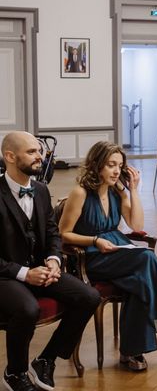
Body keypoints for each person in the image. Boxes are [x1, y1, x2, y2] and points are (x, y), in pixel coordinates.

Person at [59, 141, 157, 372]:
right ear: (96, 165)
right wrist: (94, 240)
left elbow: (137, 224)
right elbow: (64, 235)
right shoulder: (80, 193)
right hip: (90, 257)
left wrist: (133, 190)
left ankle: (130, 352)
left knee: (141, 282)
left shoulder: (117, 192)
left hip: (117, 251)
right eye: (111, 165)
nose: (116, 171)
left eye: (120, 166)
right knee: (146, 257)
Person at [0, 132, 100, 391]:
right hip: (5, 275)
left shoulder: (41, 190)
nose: (40, 157)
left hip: (40, 268)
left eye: (40, 151)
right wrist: (24, 273)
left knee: (89, 296)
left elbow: (53, 232)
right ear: (10, 156)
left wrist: (54, 260)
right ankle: (15, 373)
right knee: (28, 309)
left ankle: (46, 358)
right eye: (32, 152)